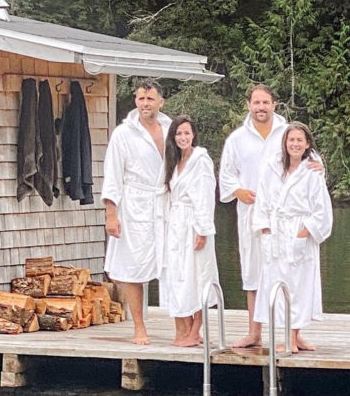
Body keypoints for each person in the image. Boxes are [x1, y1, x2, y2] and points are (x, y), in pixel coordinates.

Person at [252, 122, 333, 352]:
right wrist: (265, 228)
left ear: (307, 144)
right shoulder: (272, 167)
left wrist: (303, 233)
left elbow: (321, 209)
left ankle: (294, 335)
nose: (295, 144)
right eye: (291, 140)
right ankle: (288, 336)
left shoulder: (312, 172)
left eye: (300, 140)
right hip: (276, 231)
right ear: (285, 143)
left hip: (299, 230)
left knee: (300, 284)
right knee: (277, 283)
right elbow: (263, 199)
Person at [218, 85, 288, 348]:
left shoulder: (287, 133)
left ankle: (290, 334)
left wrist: (316, 165)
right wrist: (237, 190)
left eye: (266, 102)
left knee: (286, 269)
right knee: (252, 271)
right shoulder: (237, 139)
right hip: (250, 211)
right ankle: (254, 332)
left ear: (274, 104)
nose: (261, 107)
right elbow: (226, 173)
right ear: (248, 105)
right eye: (256, 102)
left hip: (282, 214)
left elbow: (305, 157)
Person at [102, 80, 171, 345]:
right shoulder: (123, 133)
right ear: (135, 101)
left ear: (160, 102)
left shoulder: (170, 128)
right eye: (141, 99)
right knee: (134, 267)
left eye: (150, 99)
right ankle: (139, 327)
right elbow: (113, 174)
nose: (145, 104)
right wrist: (111, 212)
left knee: (172, 261)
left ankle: (185, 329)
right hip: (134, 203)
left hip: (164, 201)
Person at [161, 117, 220, 347]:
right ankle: (185, 329)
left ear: (193, 135)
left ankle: (196, 329)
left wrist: (202, 229)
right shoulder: (175, 161)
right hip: (176, 224)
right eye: (178, 134)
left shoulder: (200, 160)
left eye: (187, 133)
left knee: (199, 276)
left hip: (194, 224)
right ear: (173, 138)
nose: (183, 138)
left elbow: (206, 195)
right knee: (179, 275)